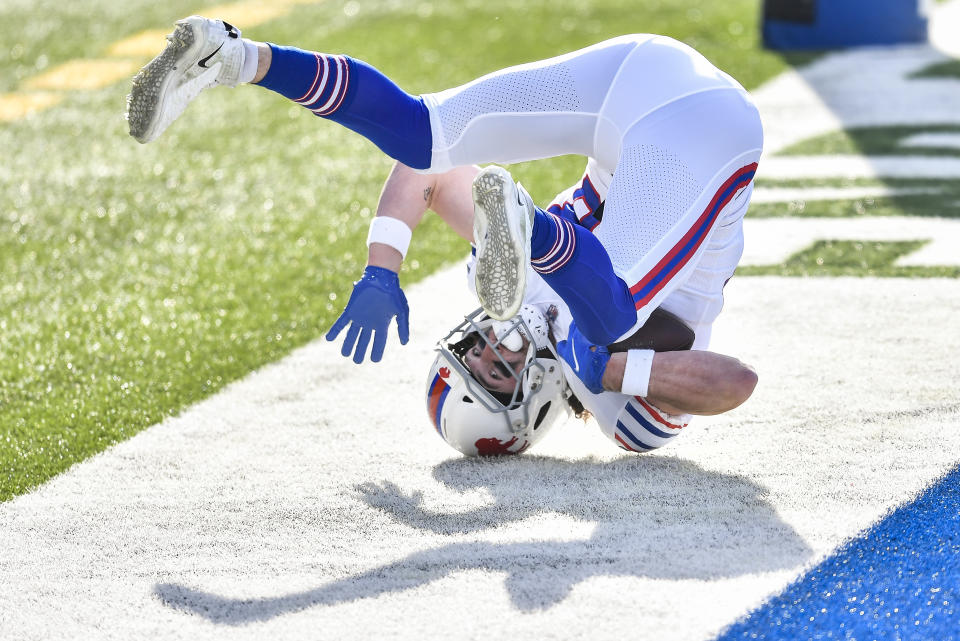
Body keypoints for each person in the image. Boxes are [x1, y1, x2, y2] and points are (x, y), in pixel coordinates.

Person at [127, 16, 761, 455]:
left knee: (424, 131)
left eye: (473, 352)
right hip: (707, 140)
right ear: (529, 411)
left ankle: (236, 57)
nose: (491, 349)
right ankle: (535, 230)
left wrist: (382, 265)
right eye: (495, 374)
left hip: (638, 81)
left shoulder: (494, 277)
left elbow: (428, 173)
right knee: (607, 321)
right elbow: (736, 382)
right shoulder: (624, 423)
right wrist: (610, 369)